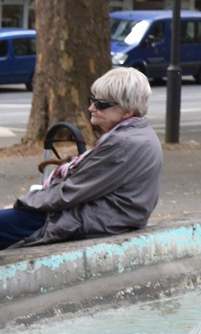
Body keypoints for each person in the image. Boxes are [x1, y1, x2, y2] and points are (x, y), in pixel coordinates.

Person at [0, 67, 163, 249]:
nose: (91, 107)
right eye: (92, 100)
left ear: (127, 110)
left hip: (86, 220)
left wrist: (21, 204)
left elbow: (70, 193)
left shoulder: (123, 143)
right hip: (104, 218)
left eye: (101, 104)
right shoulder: (138, 133)